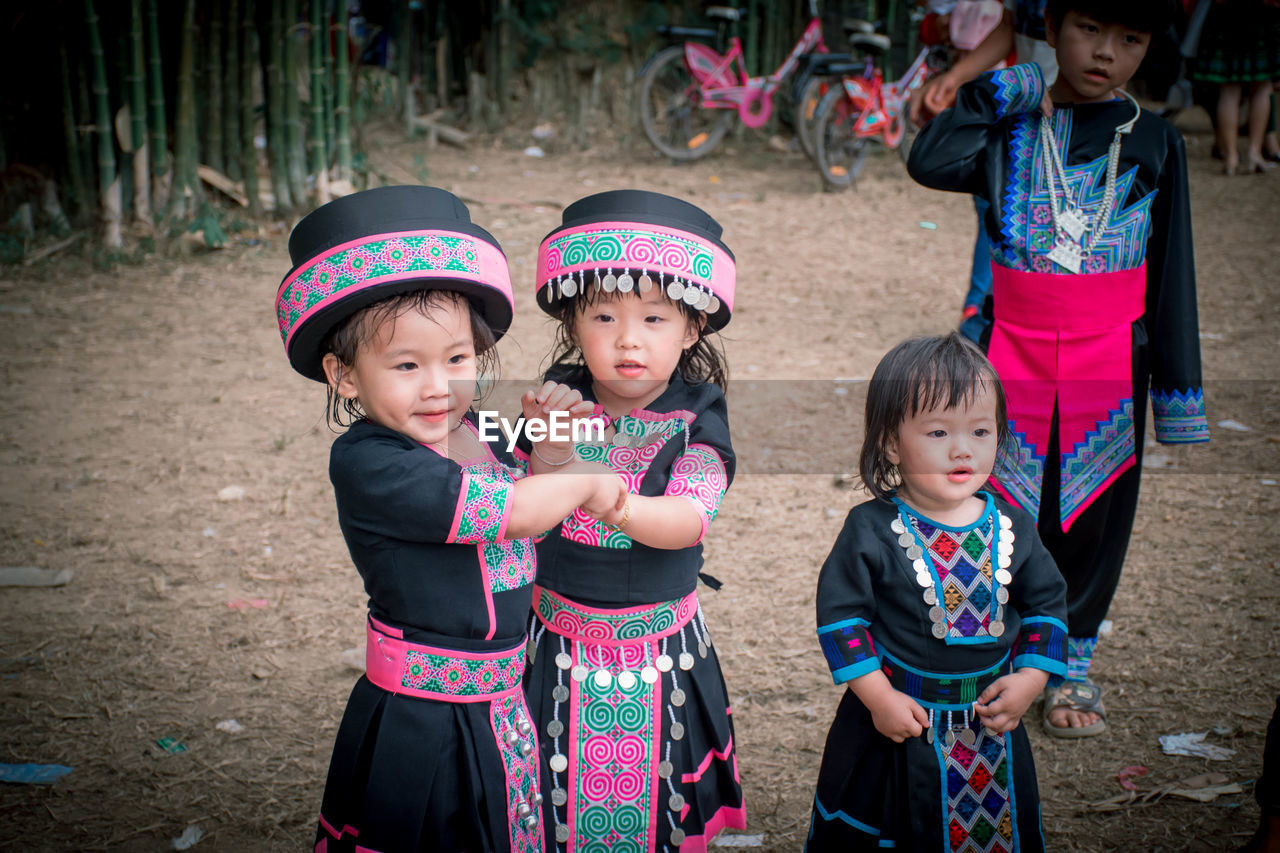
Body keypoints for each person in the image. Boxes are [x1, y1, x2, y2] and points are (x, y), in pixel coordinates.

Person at [274, 185, 629, 852]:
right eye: (407, 365)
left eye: (457, 359)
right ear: (344, 374)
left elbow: (537, 476)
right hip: (422, 717)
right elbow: (522, 511)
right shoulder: (374, 463)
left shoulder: (478, 425)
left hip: (502, 700)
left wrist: (553, 442)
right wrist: (585, 471)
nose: (439, 385)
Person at [907, 0, 1210, 738]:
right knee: (997, 504)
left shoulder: (1157, 143)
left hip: (1110, 358)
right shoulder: (1012, 129)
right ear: (1054, 29)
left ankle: (1067, 663)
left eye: (1129, 37)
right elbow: (930, 161)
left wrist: (1177, 393)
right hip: (1007, 347)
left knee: (1093, 512)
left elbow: (1171, 274)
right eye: (1088, 30)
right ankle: (992, 647)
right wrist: (990, 92)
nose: (1105, 51)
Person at [521, 190, 746, 850]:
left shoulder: (700, 419)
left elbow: (688, 517)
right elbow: (527, 506)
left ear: (693, 327)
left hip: (660, 658)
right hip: (557, 645)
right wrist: (550, 447)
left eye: (654, 318)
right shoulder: (560, 394)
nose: (628, 339)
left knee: (661, 803)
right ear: (571, 321)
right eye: (603, 315)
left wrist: (609, 498)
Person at [806, 333, 1068, 851]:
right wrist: (879, 698)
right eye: (938, 431)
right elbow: (842, 621)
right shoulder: (871, 530)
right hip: (898, 731)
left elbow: (1046, 605)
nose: (961, 448)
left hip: (991, 731)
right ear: (889, 442)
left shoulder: (1013, 525)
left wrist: (1032, 679)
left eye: (979, 430)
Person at [1191, 0, 1280, 174]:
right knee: (1262, 88)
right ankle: (1254, 153)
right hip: (1262, 13)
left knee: (1229, 91)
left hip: (1227, 12)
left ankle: (1231, 157)